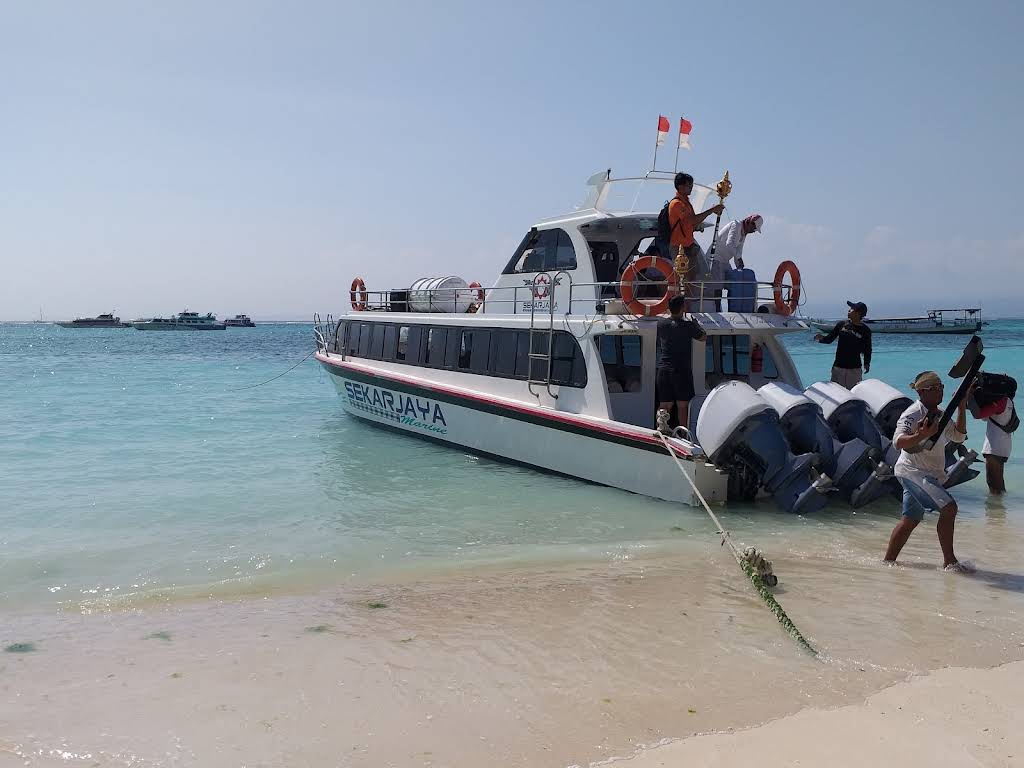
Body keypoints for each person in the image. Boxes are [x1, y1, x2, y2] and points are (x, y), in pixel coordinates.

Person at [883, 371, 971, 571]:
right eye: (934, 388)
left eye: (941, 387)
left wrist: (961, 407)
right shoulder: (912, 413)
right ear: (921, 392)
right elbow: (898, 442)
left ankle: (887, 563)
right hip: (911, 471)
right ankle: (950, 562)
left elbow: (958, 437)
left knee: (910, 519)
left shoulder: (940, 414)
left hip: (926, 473)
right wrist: (921, 435)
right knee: (949, 508)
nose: (940, 391)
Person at [667, 173, 725, 309]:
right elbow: (691, 220)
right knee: (683, 278)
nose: (691, 188)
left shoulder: (687, 203)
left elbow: (692, 223)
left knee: (691, 277)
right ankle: (681, 307)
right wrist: (711, 210)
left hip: (689, 245)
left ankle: (687, 305)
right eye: (689, 185)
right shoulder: (676, 204)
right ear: (680, 186)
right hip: (679, 247)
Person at [656, 294, 707, 434]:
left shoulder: (661, 324)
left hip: (664, 370)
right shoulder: (688, 326)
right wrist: (696, 324)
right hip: (681, 371)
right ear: (682, 308)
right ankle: (683, 435)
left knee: (665, 405)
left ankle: (660, 430)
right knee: (682, 405)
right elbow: (703, 337)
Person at [708, 214, 763, 310]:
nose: (753, 231)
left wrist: (739, 265)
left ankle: (732, 308)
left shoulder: (744, 234)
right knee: (718, 286)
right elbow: (729, 244)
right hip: (716, 258)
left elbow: (739, 251)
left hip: (725, 260)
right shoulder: (736, 225)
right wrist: (738, 258)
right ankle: (717, 309)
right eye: (754, 228)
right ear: (749, 223)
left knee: (732, 283)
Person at [814, 300, 872, 388]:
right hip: (838, 367)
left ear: (858, 313)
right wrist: (820, 339)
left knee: (853, 393)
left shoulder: (866, 330)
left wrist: (867, 363)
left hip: (854, 368)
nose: (849, 310)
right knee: (836, 392)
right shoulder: (842, 324)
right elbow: (829, 339)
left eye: (851, 309)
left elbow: (868, 349)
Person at [978, 395, 1015, 494]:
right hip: (1003, 446)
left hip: (993, 447)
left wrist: (970, 398)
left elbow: (980, 415)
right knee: (998, 483)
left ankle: (996, 504)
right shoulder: (1009, 402)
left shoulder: (999, 402)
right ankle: (1002, 503)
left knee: (993, 484)